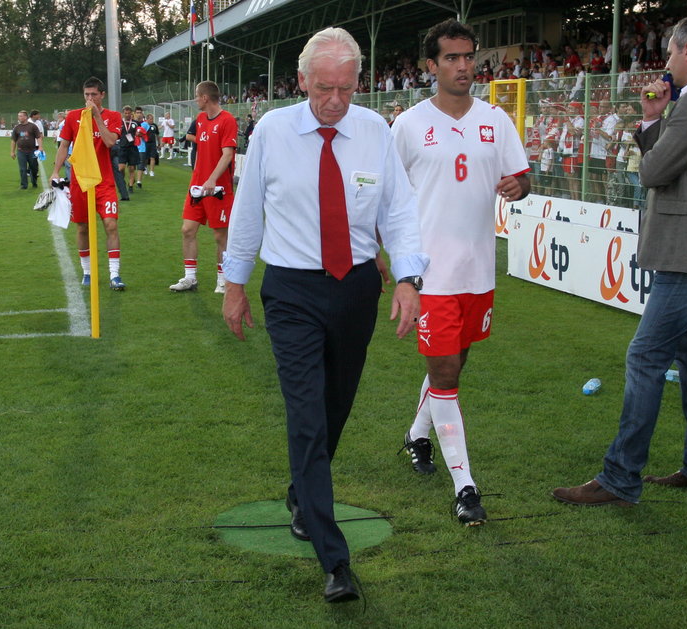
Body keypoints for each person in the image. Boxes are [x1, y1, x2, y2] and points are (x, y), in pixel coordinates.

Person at [221, 27, 427, 603]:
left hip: (356, 287)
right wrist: (234, 285)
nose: (335, 100)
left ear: (359, 82)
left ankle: (300, 494)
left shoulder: (374, 132)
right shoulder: (272, 132)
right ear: (303, 81)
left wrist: (408, 278)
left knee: (335, 406)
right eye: (323, 88)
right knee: (307, 414)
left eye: (346, 88)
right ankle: (333, 557)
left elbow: (400, 211)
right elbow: (247, 212)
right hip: (291, 291)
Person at [552, 14, 687, 507]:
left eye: (670, 52)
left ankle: (620, 477)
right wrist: (656, 117)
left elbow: (654, 170)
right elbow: (670, 163)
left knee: (645, 356)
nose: (665, 62)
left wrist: (659, 124)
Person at [391, 18, 530, 527]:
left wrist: (520, 188)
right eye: (451, 58)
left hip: (479, 271)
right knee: (445, 373)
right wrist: (397, 265)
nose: (464, 65)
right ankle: (465, 487)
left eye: (469, 56)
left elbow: (520, 177)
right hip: (431, 275)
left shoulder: (496, 119)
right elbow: (390, 198)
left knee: (453, 368)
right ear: (431, 66)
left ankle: (416, 434)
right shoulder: (407, 125)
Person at [50, 77, 126, 291]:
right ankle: (87, 272)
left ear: (102, 95)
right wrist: (55, 171)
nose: (90, 98)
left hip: (104, 182)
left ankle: (114, 275)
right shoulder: (73, 117)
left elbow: (110, 142)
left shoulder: (113, 116)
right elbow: (64, 145)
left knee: (111, 224)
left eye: (94, 95)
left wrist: (97, 117)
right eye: (86, 95)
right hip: (80, 183)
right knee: (82, 227)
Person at [170, 81, 237, 294]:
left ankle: (223, 280)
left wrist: (212, 179)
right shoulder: (200, 120)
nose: (195, 100)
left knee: (220, 236)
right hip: (197, 186)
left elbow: (227, 155)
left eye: (197, 96)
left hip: (218, 189)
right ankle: (190, 278)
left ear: (205, 98)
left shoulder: (227, 120)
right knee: (187, 229)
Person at [10, 110, 42, 189]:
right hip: (21, 151)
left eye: (21, 116)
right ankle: (24, 185)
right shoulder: (17, 128)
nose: (19, 118)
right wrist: (12, 151)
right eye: (18, 116)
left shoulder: (32, 126)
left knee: (34, 168)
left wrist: (40, 147)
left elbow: (39, 137)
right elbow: (13, 140)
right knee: (22, 169)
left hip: (32, 151)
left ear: (25, 117)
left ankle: (34, 182)